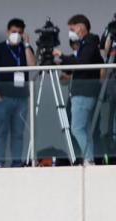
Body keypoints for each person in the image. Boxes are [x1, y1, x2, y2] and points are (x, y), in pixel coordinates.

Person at [55, 15, 104, 165]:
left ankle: (88, 159)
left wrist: (61, 55)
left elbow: (81, 63)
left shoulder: (89, 43)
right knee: (85, 129)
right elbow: (79, 65)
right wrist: (61, 63)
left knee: (76, 128)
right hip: (84, 92)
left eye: (72, 28)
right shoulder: (87, 45)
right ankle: (89, 159)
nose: (71, 32)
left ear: (81, 27)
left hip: (84, 93)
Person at [0, 20, 35, 168]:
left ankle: (16, 162)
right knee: (0, 132)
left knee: (18, 133)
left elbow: (32, 65)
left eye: (20, 32)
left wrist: (27, 45)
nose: (17, 35)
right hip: (3, 97)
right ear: (8, 32)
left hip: (22, 97)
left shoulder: (25, 48)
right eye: (14, 32)